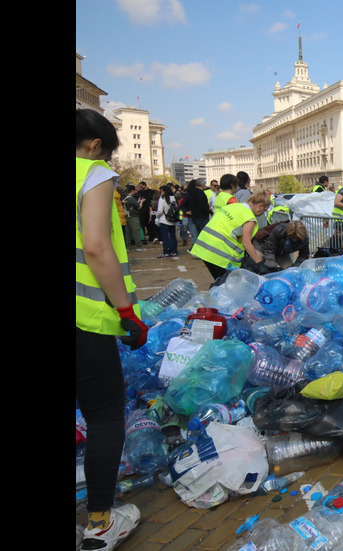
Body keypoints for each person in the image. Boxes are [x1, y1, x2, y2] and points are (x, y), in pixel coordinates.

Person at [76, 108, 147, 551]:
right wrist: (126, 312)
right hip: (84, 321)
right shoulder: (92, 173)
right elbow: (97, 247)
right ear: (96, 143)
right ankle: (100, 521)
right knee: (103, 417)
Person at [190, 193, 271, 281]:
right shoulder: (249, 217)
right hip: (220, 254)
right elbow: (246, 243)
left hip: (204, 248)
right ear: (260, 205)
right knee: (227, 285)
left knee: (219, 281)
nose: (262, 214)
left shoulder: (231, 207)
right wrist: (259, 263)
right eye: (264, 210)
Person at [181, 179, 210, 246]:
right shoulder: (201, 193)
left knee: (195, 235)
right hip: (202, 216)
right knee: (204, 234)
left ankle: (195, 248)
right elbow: (203, 206)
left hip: (192, 216)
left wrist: (186, 211)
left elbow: (182, 204)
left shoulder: (189, 193)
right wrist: (210, 212)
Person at [155, 184, 179, 258]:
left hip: (164, 220)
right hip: (172, 220)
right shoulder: (173, 198)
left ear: (164, 191)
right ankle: (174, 251)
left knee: (165, 237)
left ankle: (166, 251)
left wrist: (156, 216)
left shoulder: (162, 199)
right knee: (173, 236)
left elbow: (160, 211)